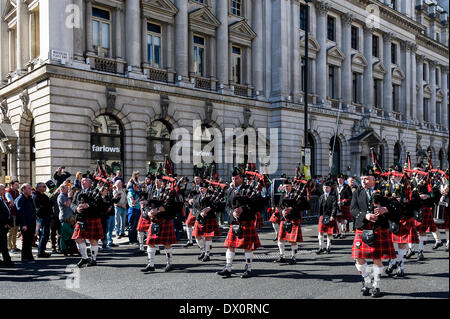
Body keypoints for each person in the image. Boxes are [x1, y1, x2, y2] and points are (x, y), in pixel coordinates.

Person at [350, 167, 399, 298]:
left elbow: (397, 207)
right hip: (362, 228)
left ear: (373, 179)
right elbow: (353, 210)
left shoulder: (384, 190)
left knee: (377, 259)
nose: (364, 181)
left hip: (379, 229)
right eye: (361, 179)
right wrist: (365, 216)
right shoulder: (357, 192)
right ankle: (367, 281)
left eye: (366, 179)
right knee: (359, 258)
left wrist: (386, 209)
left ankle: (376, 286)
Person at [217, 168, 261, 279]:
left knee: (247, 247)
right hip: (234, 222)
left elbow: (256, 205)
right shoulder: (230, 191)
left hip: (246, 221)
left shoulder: (249, 189)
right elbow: (226, 206)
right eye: (232, 178)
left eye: (236, 178)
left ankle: (248, 268)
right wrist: (232, 213)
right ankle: (228, 268)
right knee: (230, 246)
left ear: (241, 178)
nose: (234, 180)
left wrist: (243, 209)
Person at [385, 165, 419, 278]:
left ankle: (401, 267)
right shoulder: (387, 185)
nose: (394, 176)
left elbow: (416, 201)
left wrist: (405, 201)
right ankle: (392, 262)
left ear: (400, 174)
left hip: (404, 216)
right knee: (389, 243)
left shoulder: (409, 184)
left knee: (401, 244)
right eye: (392, 174)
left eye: (396, 174)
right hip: (391, 217)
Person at [142, 178, 179, 273]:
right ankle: (151, 265)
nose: (156, 182)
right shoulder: (151, 190)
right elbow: (146, 204)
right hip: (154, 220)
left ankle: (169, 263)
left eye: (158, 180)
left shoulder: (168, 191)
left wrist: (157, 210)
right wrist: (148, 213)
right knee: (150, 242)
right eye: (155, 180)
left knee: (166, 243)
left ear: (163, 182)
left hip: (165, 220)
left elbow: (170, 205)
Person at [71, 178, 104, 267]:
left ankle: (93, 259)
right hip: (81, 219)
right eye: (82, 180)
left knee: (92, 239)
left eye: (85, 180)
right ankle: (85, 258)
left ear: (90, 183)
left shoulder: (95, 191)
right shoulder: (78, 192)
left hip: (92, 218)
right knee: (78, 238)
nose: (82, 181)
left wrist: (88, 205)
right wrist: (76, 209)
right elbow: (72, 204)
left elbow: (99, 204)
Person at [275, 180, 307, 265]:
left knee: (292, 240)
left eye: (287, 186)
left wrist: (291, 209)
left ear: (291, 186)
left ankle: (294, 258)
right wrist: (282, 211)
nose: (286, 188)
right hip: (284, 219)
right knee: (280, 238)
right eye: (284, 186)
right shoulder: (282, 195)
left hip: (293, 218)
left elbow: (301, 206)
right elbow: (279, 205)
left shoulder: (297, 194)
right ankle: (282, 256)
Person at [189, 181, 221, 262]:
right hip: (199, 218)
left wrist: (209, 208)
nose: (200, 189)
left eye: (202, 188)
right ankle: (203, 250)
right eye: (200, 187)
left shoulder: (212, 196)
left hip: (209, 218)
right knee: (196, 236)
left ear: (206, 188)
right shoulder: (196, 196)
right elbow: (194, 209)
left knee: (207, 236)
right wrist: (200, 213)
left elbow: (217, 205)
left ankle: (207, 254)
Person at [15, 184, 37, 264]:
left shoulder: (29, 198)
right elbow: (20, 212)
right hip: (25, 223)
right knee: (26, 241)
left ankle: (26, 257)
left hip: (31, 222)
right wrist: (23, 224)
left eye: (30, 188)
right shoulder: (20, 199)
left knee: (30, 241)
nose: (30, 190)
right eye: (28, 188)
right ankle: (27, 257)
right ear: (23, 190)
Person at [316, 181, 338, 254]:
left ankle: (328, 247)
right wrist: (319, 216)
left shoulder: (333, 196)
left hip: (329, 216)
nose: (326, 189)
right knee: (320, 233)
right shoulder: (321, 196)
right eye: (324, 188)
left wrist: (332, 215)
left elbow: (335, 207)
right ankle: (321, 247)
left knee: (329, 233)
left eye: (327, 188)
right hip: (322, 216)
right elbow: (319, 207)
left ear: (330, 188)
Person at [33, 182, 53, 258]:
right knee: (44, 235)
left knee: (45, 235)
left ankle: (41, 250)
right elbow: (39, 207)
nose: (44, 188)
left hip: (46, 217)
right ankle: (40, 252)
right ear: (38, 188)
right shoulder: (36, 196)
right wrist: (45, 207)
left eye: (45, 186)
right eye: (42, 186)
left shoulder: (44, 195)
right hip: (41, 218)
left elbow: (47, 205)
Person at [183, 175, 202, 248]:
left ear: (200, 179)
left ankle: (202, 244)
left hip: (201, 209)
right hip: (194, 209)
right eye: (195, 178)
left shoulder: (204, 187)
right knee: (188, 223)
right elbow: (189, 196)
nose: (196, 180)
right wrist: (189, 200)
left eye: (198, 178)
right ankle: (190, 240)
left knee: (201, 226)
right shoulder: (193, 188)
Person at [335, 174, 353, 238]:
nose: (339, 181)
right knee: (337, 220)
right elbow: (335, 196)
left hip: (344, 205)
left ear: (343, 180)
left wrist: (346, 200)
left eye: (340, 180)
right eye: (338, 180)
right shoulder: (336, 187)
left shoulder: (347, 187)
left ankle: (343, 233)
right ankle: (338, 232)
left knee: (343, 219)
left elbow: (350, 196)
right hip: (337, 205)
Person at [5, 180, 20, 253]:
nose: (17, 186)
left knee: (15, 231)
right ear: (11, 185)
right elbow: (12, 203)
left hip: (16, 214)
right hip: (11, 214)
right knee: (11, 231)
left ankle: (14, 246)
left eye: (17, 184)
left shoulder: (17, 192)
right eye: (16, 184)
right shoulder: (8, 192)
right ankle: (9, 247)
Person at [0, 184, 13, 267]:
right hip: (1, 225)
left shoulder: (1, 199)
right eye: (3, 189)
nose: (4, 190)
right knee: (3, 244)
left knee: (2, 244)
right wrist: (4, 223)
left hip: (4, 225)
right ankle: (7, 261)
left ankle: (6, 260)